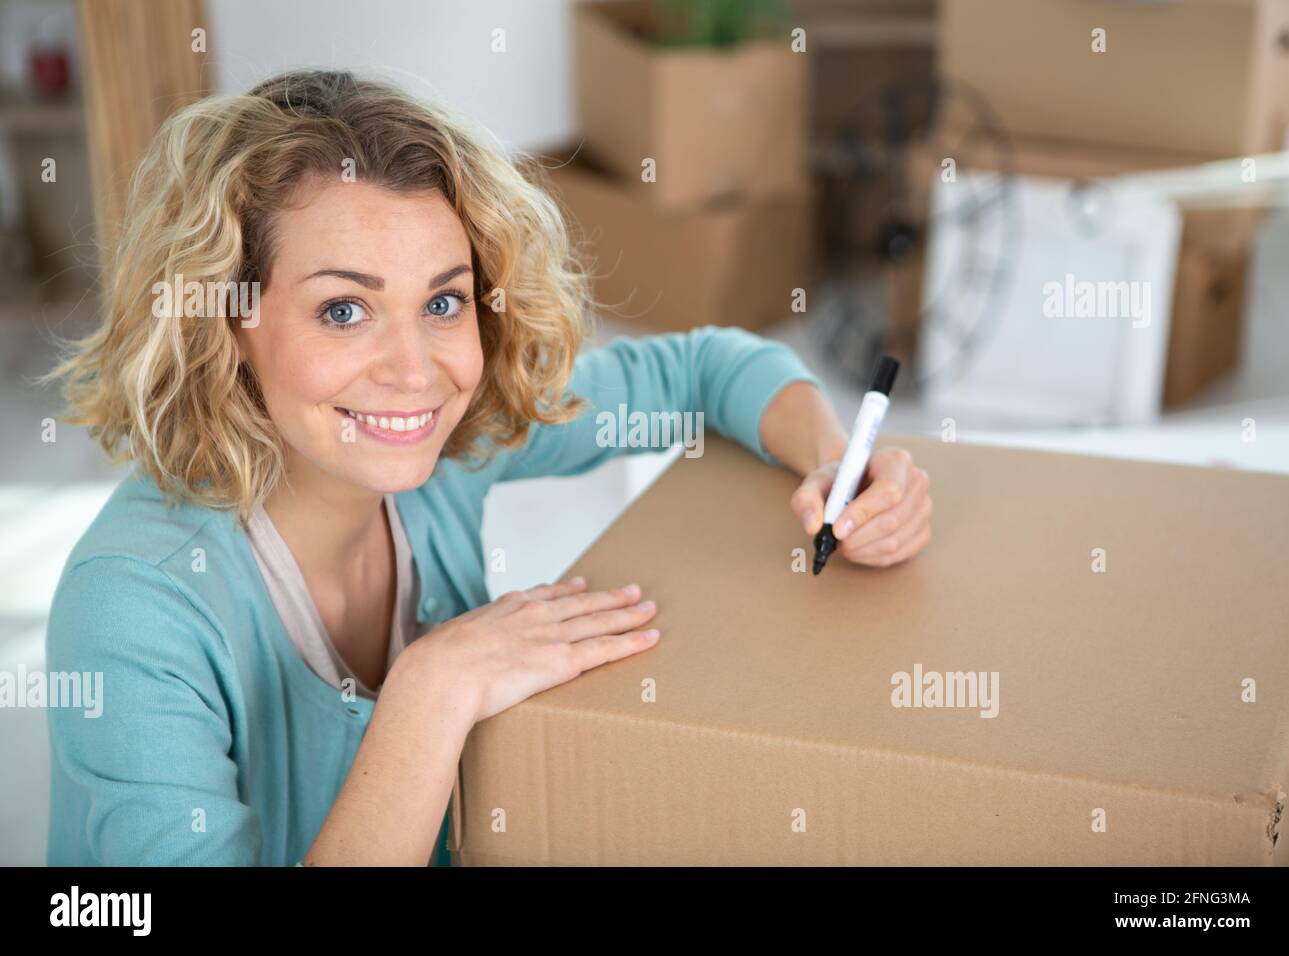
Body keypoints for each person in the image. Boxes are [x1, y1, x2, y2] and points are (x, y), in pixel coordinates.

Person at [43, 70, 933, 866]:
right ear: (226, 322)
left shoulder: (450, 439)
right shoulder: (134, 603)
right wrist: (433, 687)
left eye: (442, 300)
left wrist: (837, 466)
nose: (417, 371)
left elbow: (710, 368)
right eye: (344, 310)